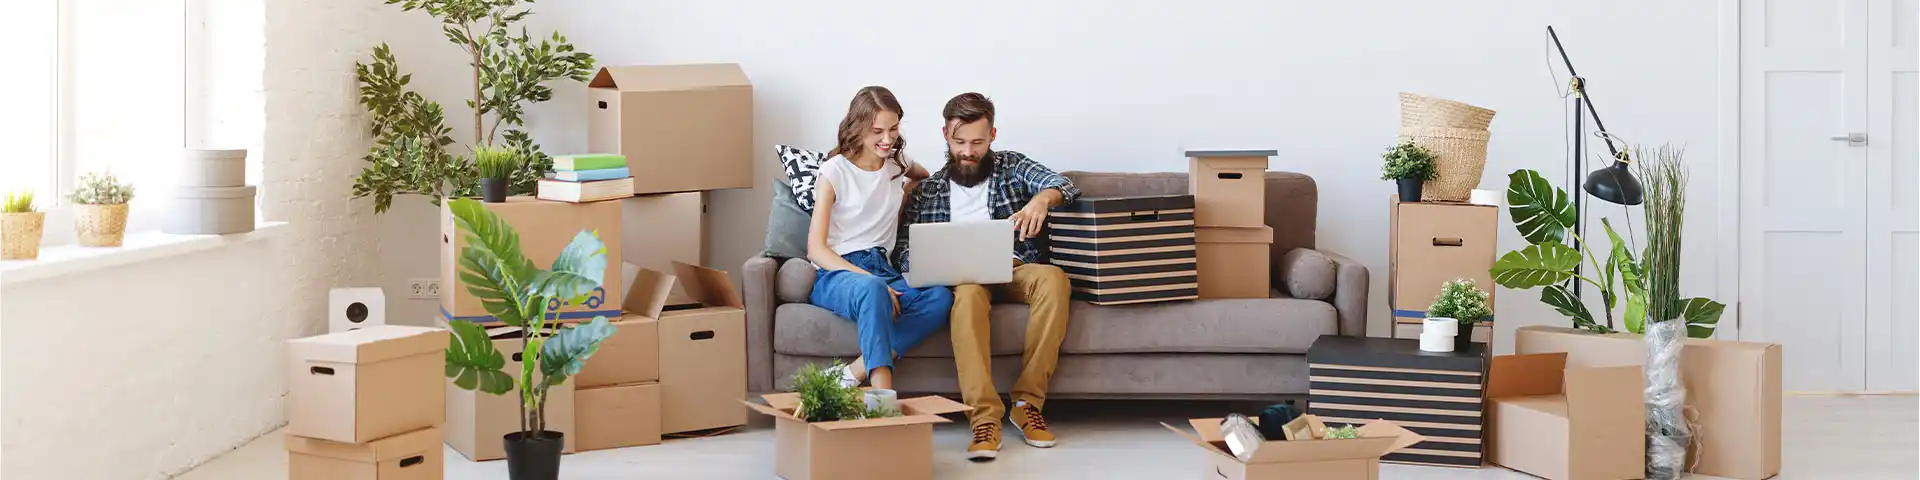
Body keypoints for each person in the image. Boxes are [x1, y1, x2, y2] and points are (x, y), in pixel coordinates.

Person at [894, 92, 1080, 461]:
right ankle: (984, 418)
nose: (968, 151)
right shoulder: (927, 191)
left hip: (1014, 267)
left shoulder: (1012, 166)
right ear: (945, 135)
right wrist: (927, 264)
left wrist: (1041, 200)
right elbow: (902, 248)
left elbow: (1064, 185)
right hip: (964, 278)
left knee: (1054, 278)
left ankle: (1027, 404)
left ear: (992, 135)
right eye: (960, 142)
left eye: (977, 142)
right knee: (966, 296)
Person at [806, 86, 953, 391]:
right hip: (837, 272)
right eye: (877, 131)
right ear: (858, 127)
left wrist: (904, 196)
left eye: (894, 129)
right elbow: (816, 249)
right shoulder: (834, 171)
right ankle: (883, 398)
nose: (888, 139)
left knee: (940, 296)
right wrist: (871, 281)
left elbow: (923, 176)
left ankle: (853, 372)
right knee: (873, 289)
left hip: (882, 267)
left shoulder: (897, 164)